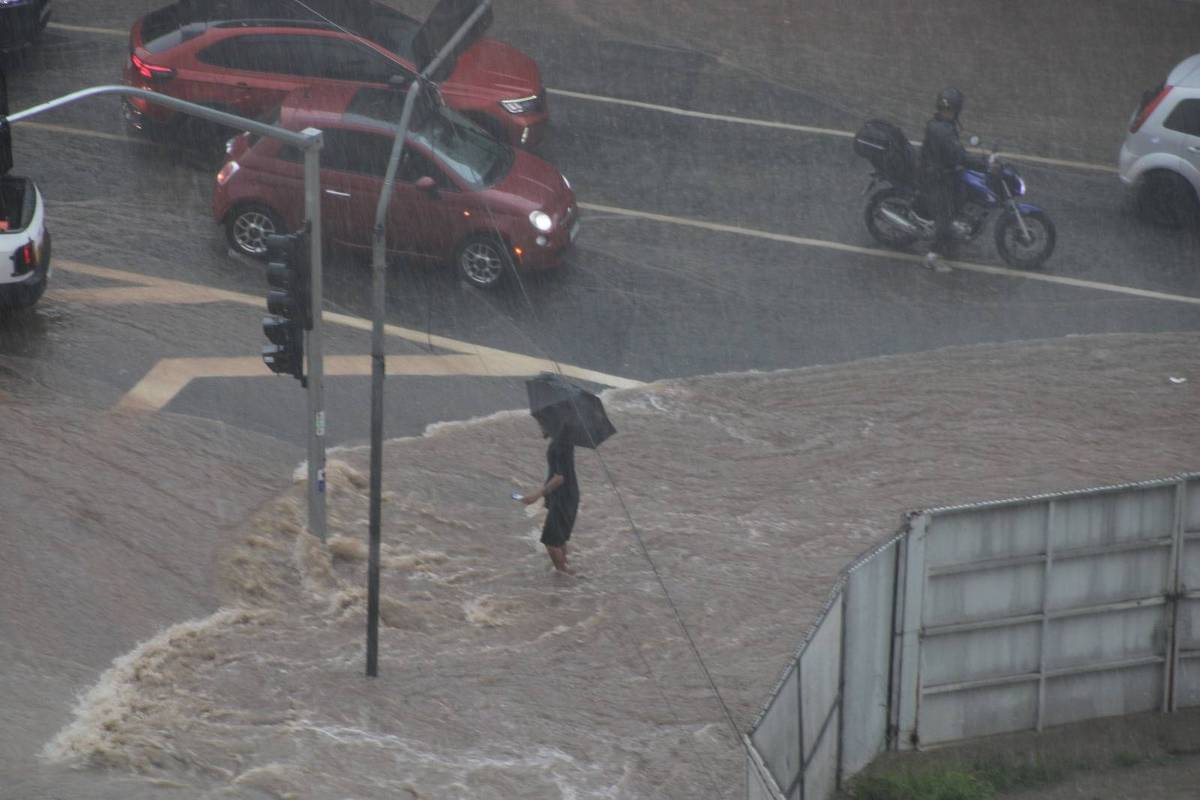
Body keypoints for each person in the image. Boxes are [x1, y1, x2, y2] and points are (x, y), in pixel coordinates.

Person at [915, 87, 989, 270]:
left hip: (942, 172)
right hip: (936, 177)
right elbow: (958, 155)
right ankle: (932, 257)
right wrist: (984, 164)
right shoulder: (943, 130)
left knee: (960, 196)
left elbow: (954, 152)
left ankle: (950, 239)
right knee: (944, 217)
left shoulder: (941, 124)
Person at [522, 415, 580, 575]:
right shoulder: (565, 442)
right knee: (559, 539)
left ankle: (565, 577)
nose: (540, 426)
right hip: (568, 496)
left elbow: (559, 477)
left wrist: (537, 495)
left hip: (563, 498)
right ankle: (567, 573)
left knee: (550, 541)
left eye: (542, 423)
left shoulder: (558, 445)